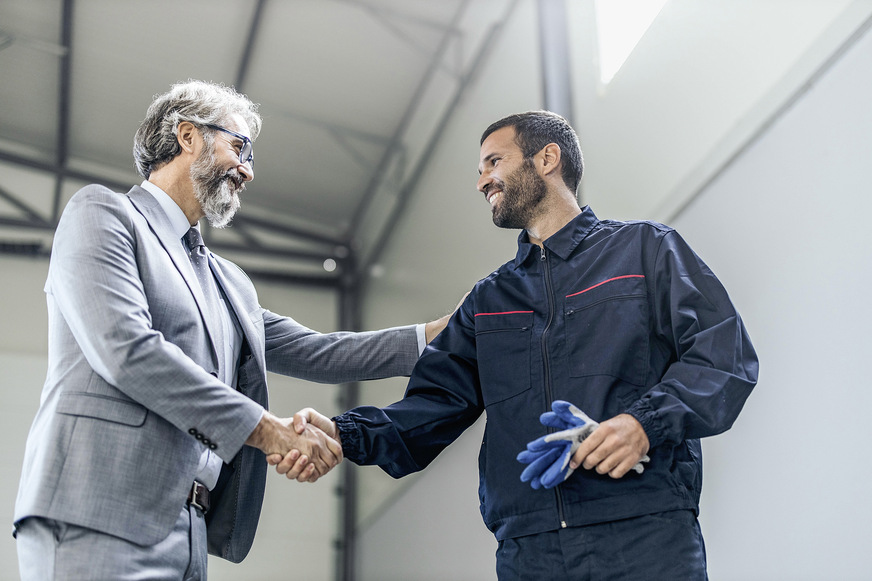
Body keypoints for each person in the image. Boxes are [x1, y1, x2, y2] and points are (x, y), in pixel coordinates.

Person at [286, 111, 759, 579]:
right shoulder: (489, 300)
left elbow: (723, 358)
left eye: (493, 162)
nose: (482, 182)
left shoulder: (644, 251)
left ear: (547, 158)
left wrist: (644, 423)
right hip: (529, 552)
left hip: (642, 533)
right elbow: (432, 406)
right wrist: (343, 433)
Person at [13, 80, 451, 580]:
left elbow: (318, 351)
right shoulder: (104, 214)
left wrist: (438, 335)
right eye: (239, 147)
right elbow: (126, 350)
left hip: (190, 534)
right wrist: (268, 432)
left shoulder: (229, 283)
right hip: (98, 514)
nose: (247, 170)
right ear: (187, 136)